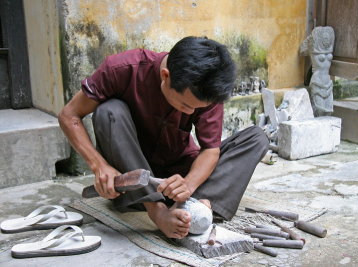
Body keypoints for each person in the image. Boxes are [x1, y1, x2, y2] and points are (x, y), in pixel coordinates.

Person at [58, 36, 268, 239]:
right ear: (166, 76)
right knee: (109, 110)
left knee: (256, 138)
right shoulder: (121, 69)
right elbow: (69, 115)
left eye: (196, 108)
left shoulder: (208, 89)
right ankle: (159, 210)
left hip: (176, 178)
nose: (189, 113)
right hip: (133, 185)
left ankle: (188, 206)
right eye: (185, 105)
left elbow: (210, 150)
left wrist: (188, 185)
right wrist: (99, 166)